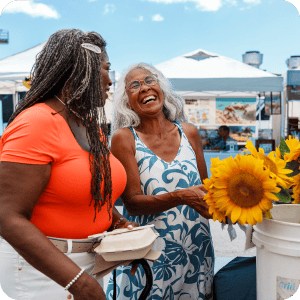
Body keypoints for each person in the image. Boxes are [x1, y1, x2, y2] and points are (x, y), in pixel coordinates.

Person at [0, 29, 137, 300]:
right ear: (80, 71)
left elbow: (84, 192)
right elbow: (6, 216)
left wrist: (118, 225)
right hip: (40, 273)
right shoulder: (37, 122)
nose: (111, 81)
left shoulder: (89, 125)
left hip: (86, 267)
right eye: (106, 69)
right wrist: (78, 282)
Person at [106, 63, 214, 300]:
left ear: (162, 88)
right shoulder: (124, 139)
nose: (144, 88)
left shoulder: (190, 133)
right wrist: (181, 196)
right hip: (150, 254)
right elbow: (132, 203)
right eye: (134, 86)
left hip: (196, 248)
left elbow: (208, 193)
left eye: (149, 80)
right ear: (127, 101)